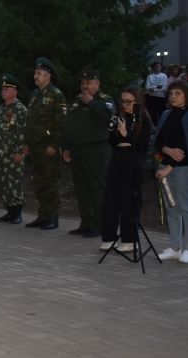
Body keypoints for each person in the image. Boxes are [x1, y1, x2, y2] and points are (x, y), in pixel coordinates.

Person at [61, 69, 114, 239]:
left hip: (96, 150)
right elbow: (69, 124)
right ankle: (86, 222)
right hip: (78, 150)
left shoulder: (104, 100)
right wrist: (66, 146)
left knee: (97, 189)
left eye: (89, 83)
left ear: (97, 84)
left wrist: (91, 103)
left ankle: (100, 225)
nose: (85, 86)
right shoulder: (77, 101)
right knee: (81, 188)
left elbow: (108, 119)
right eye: (83, 83)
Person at [154, 81, 188, 263]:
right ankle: (175, 246)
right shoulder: (166, 114)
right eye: (171, 93)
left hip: (183, 169)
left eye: (178, 93)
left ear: (186, 95)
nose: (173, 96)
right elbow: (158, 142)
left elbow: (187, 147)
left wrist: (168, 167)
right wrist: (167, 151)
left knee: (186, 207)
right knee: (171, 208)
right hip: (165, 168)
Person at [100, 87, 153, 252]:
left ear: (137, 102)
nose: (125, 105)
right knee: (110, 199)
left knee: (129, 201)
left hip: (133, 165)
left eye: (129, 101)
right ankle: (109, 238)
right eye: (122, 101)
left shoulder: (143, 119)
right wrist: (122, 139)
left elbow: (142, 145)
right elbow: (112, 141)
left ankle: (129, 239)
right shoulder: (118, 116)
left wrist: (126, 136)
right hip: (117, 162)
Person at [24, 57, 66, 230]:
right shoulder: (34, 95)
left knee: (50, 183)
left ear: (48, 75)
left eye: (39, 73)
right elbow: (29, 121)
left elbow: (61, 123)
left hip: (48, 146)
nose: (36, 76)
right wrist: (26, 143)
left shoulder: (56, 95)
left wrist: (54, 145)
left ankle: (53, 218)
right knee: (39, 182)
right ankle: (42, 215)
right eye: (35, 73)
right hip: (34, 146)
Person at [0, 74, 29, 224]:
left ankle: (17, 213)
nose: (3, 92)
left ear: (15, 91)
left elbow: (22, 132)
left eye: (6, 89)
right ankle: (9, 211)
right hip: (1, 154)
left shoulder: (20, 109)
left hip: (13, 154)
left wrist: (20, 152)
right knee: (3, 183)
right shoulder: (1, 108)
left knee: (14, 183)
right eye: (3, 89)